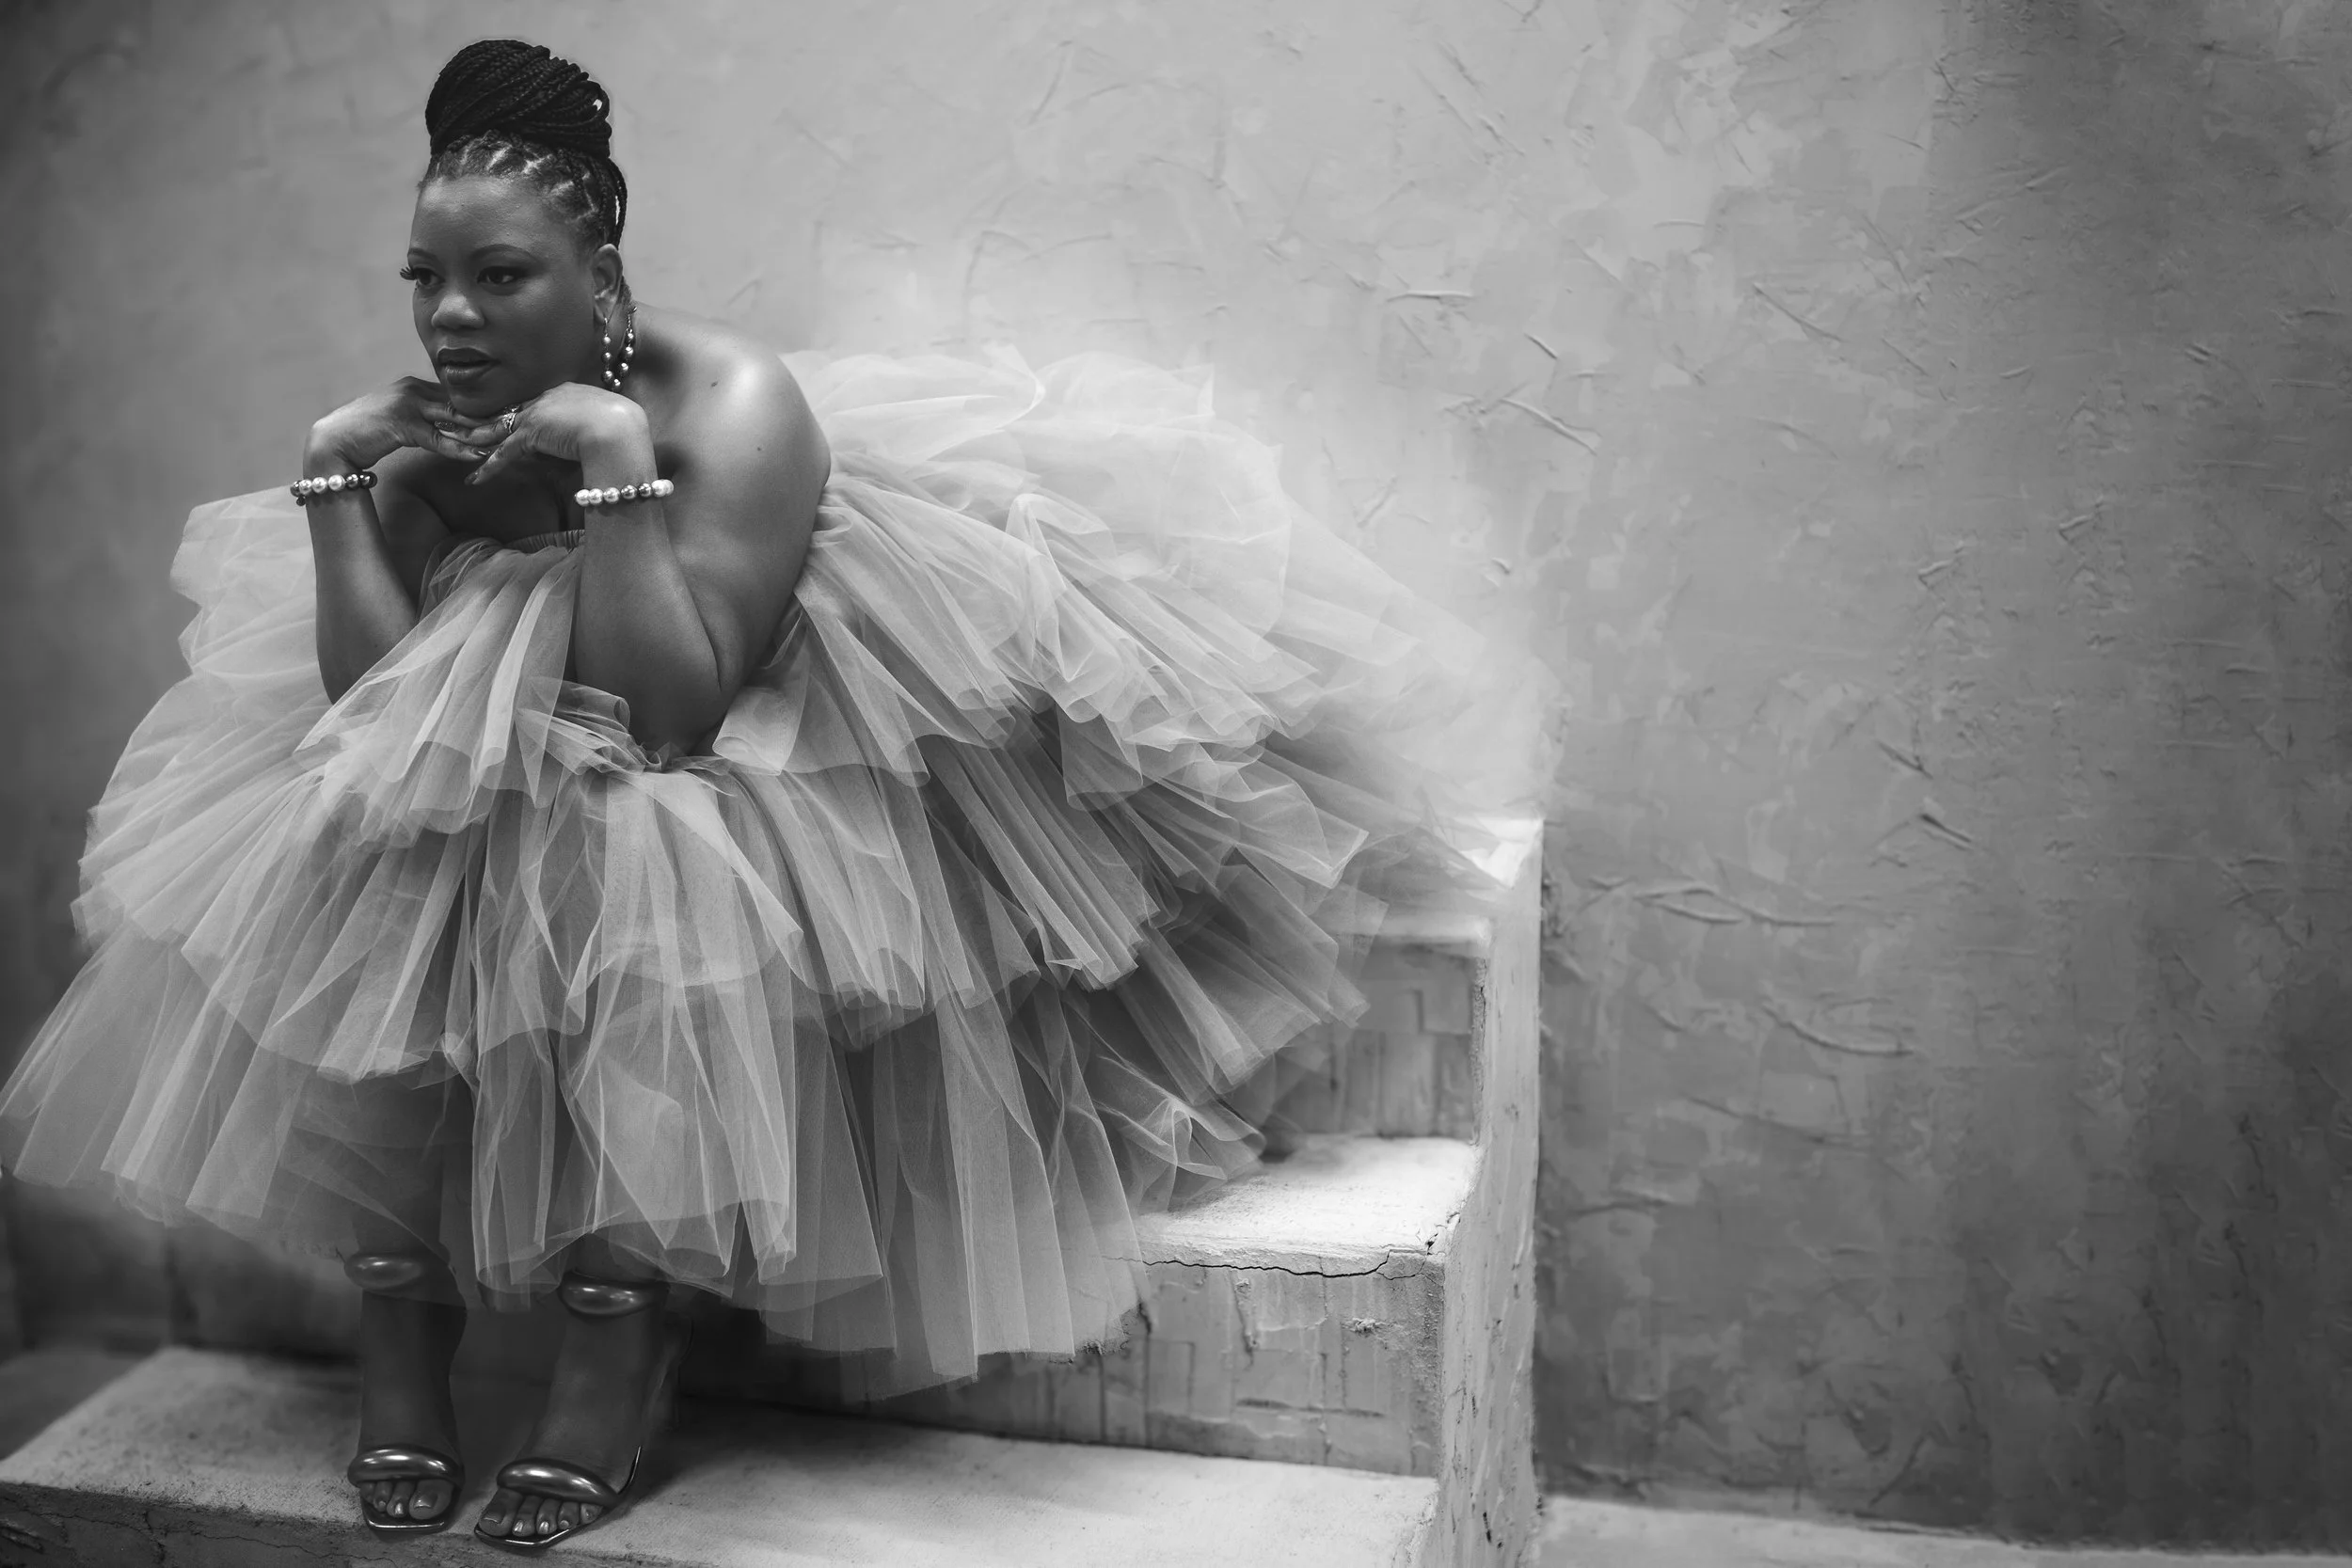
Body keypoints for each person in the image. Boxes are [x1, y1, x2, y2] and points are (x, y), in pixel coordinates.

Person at [0, 37, 1545, 1553]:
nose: (452, 317)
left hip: (742, 710)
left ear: (602, 279)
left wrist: (614, 458)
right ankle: (403, 1328)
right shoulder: (427, 426)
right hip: (545, 722)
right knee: (362, 840)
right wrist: (345, 476)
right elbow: (369, 717)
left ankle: (616, 1337)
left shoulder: (730, 404)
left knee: (636, 857)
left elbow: (670, 714)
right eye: (427, 278)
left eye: (502, 276)